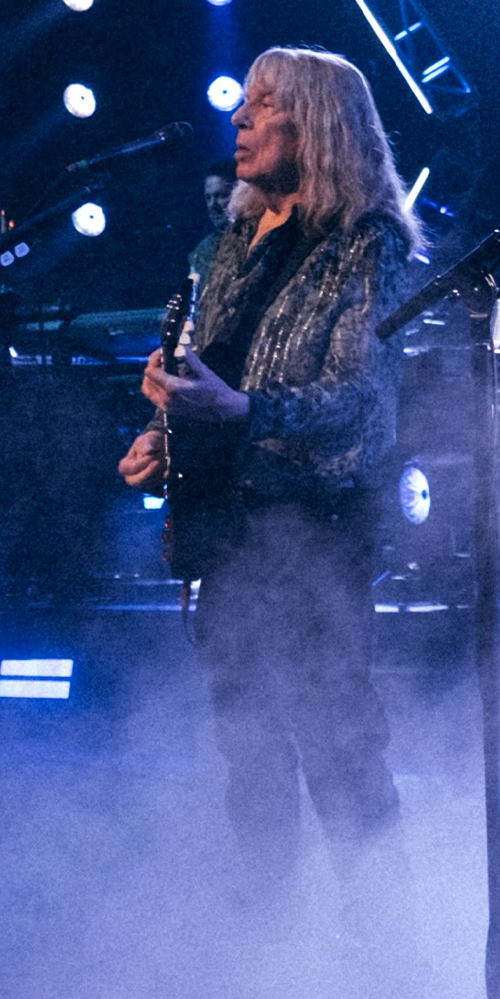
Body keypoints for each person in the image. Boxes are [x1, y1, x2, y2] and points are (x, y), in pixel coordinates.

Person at [119, 47, 422, 901]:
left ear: (318, 124)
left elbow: (358, 400)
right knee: (247, 751)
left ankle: (389, 968)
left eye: (263, 104)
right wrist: (162, 433)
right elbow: (206, 367)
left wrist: (243, 412)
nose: (240, 119)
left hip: (313, 531)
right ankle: (270, 953)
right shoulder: (230, 245)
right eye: (242, 103)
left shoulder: (365, 242)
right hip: (227, 529)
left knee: (337, 747)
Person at [187, 155, 239, 281]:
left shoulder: (261, 238)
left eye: (221, 196)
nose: (212, 205)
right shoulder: (202, 251)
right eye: (208, 198)